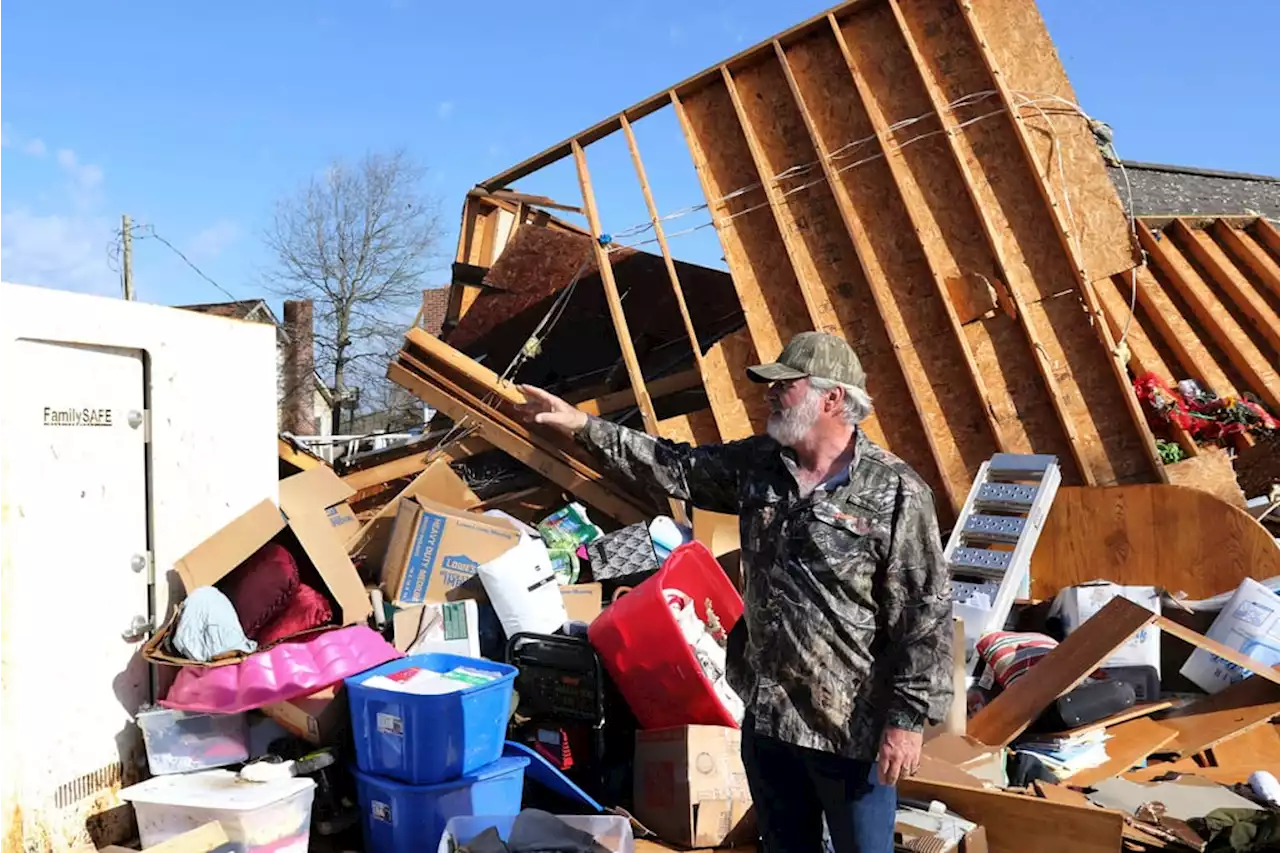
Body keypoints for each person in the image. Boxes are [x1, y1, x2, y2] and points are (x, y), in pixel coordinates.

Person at [515, 331, 954, 853]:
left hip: (849, 732)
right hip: (769, 721)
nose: (767, 395)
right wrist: (581, 425)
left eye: (783, 387)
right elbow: (673, 466)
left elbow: (925, 613)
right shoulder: (759, 466)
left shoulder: (897, 492)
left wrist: (906, 722)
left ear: (831, 398)